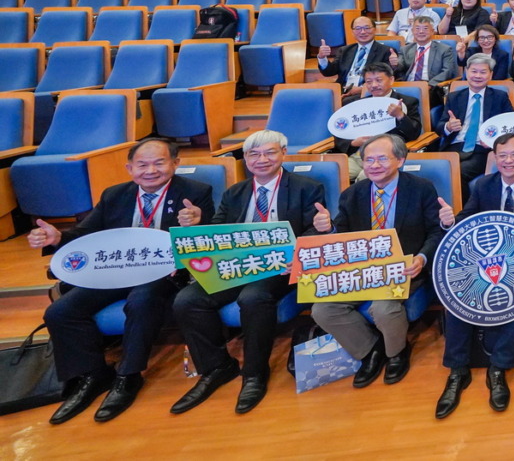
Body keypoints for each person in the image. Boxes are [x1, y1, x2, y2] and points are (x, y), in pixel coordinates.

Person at [30, 139, 213, 424]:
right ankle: (92, 374)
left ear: (175, 164)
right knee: (60, 311)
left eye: (159, 162)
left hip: (163, 273)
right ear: (130, 168)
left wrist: (199, 222)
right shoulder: (114, 195)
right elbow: (86, 235)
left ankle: (128, 376)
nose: (150, 170)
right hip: (115, 271)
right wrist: (58, 239)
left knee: (141, 300)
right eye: (142, 164)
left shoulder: (196, 193)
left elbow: (210, 238)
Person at [170, 130, 325, 415]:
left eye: (269, 152)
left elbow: (314, 228)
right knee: (187, 300)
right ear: (245, 159)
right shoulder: (235, 193)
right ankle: (217, 367)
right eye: (253, 154)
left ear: (283, 153)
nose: (261, 159)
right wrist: (195, 226)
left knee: (253, 298)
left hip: (280, 266)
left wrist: (304, 252)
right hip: (237, 266)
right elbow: (218, 232)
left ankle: (254, 373)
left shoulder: (306, 187)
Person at [433, 133, 514, 418]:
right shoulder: (482, 185)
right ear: (494, 158)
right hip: (488, 263)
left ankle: (498, 369)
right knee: (456, 298)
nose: (508, 161)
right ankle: (457, 370)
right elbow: (467, 219)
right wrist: (450, 222)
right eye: (502, 155)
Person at [312, 134, 441, 391]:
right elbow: (344, 237)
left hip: (404, 268)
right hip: (362, 270)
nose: (374, 165)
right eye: (368, 160)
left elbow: (436, 232)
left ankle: (396, 353)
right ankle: (370, 350)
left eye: (382, 158)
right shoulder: (353, 194)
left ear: (400, 160)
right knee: (323, 310)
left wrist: (422, 258)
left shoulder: (421, 188)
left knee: (383, 307)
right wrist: (327, 230)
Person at [437, 54, 514, 188]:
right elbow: (439, 127)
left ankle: (464, 209)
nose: (477, 76)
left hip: (482, 149)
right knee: (434, 172)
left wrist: (493, 142)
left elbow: (510, 127)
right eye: (474, 71)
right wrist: (448, 127)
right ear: (466, 72)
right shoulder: (454, 97)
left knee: (456, 173)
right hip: (454, 147)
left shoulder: (499, 97)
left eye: (483, 72)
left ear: (490, 75)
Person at [333, 63, 421, 177]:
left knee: (364, 176)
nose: (374, 85)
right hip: (359, 155)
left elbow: (414, 134)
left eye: (379, 80)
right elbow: (340, 131)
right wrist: (352, 142)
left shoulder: (408, 102)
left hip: (387, 157)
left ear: (391, 79)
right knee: (336, 175)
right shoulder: (357, 104)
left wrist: (400, 116)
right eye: (369, 82)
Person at [317, 16, 394, 98]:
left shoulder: (386, 51)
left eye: (367, 28)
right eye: (358, 28)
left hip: (367, 93)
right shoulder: (345, 50)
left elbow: (387, 78)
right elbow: (329, 72)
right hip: (343, 91)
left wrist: (362, 89)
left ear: (375, 29)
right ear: (352, 32)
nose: (363, 32)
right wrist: (322, 57)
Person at [393, 17, 457, 104]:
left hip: (430, 87)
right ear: (412, 31)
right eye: (417, 28)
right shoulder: (406, 49)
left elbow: (448, 71)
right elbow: (400, 67)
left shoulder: (444, 49)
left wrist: (430, 84)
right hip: (408, 85)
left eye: (425, 28)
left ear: (432, 31)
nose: (421, 32)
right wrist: (394, 64)